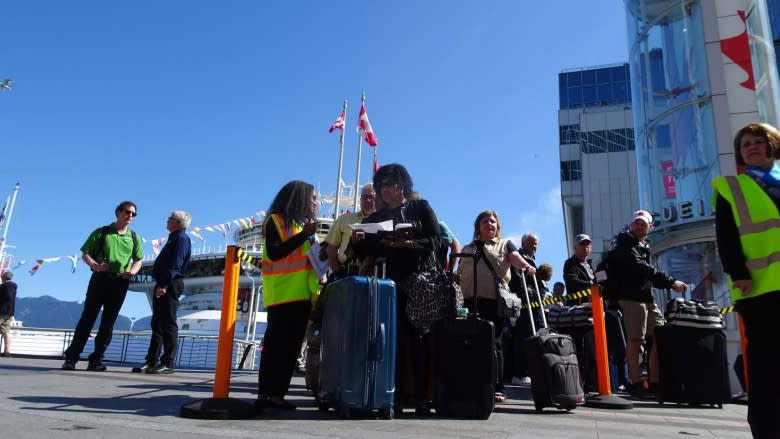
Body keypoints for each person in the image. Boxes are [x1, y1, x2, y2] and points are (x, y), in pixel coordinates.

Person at [351, 163, 440, 415]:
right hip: (389, 284)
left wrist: (409, 243)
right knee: (394, 340)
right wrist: (358, 242)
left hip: (421, 282)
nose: (385, 189)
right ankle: (396, 394)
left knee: (421, 340)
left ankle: (423, 397)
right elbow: (364, 251)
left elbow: (437, 240)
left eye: (390, 184)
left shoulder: (420, 207)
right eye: (381, 185)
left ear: (402, 185)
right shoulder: (375, 218)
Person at [713, 122, 780, 438]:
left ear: (772, 146)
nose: (752, 147)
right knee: (767, 365)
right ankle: (766, 428)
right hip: (759, 289)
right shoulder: (731, 188)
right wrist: (738, 273)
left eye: (758, 141)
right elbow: (726, 237)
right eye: (745, 144)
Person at [255, 181, 320, 413]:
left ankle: (277, 394)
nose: (316, 202)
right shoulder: (275, 220)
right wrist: (304, 235)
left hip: (302, 296)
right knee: (275, 347)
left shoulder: (297, 225)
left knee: (291, 349)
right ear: (299, 198)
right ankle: (265, 393)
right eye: (313, 198)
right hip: (282, 296)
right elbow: (275, 253)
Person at [459, 210, 536, 402]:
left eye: (493, 221)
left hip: (493, 302)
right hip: (468, 302)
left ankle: (497, 387)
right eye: (485, 221)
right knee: (470, 343)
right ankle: (472, 384)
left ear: (497, 227)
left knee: (495, 345)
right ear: (478, 227)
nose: (489, 224)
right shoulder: (468, 247)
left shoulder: (504, 244)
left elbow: (516, 258)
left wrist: (526, 266)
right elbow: (459, 271)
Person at [611, 210, 686, 399]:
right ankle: (635, 383)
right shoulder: (624, 243)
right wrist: (670, 281)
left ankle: (654, 382)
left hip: (647, 297)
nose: (639, 226)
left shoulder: (644, 245)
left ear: (650, 227)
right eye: (637, 223)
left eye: (643, 224)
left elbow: (649, 275)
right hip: (631, 297)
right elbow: (640, 268)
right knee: (635, 340)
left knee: (658, 337)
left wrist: (669, 282)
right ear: (631, 224)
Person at [62, 201, 144, 371]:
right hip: (100, 278)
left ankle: (96, 360)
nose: (130, 216)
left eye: (133, 214)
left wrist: (133, 272)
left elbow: (139, 260)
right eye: (127, 212)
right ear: (118, 212)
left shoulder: (134, 237)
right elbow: (85, 254)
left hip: (120, 282)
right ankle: (71, 358)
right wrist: (96, 266)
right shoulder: (102, 232)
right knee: (87, 318)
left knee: (108, 323)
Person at [132, 211, 192, 375]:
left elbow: (176, 263)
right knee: (157, 323)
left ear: (178, 223)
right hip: (163, 282)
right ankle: (151, 361)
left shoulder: (181, 239)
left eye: (170, 219)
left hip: (170, 283)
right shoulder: (174, 238)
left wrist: (164, 284)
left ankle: (167, 363)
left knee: (168, 323)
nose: (167, 221)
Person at [509, 232, 541, 386]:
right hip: (524, 304)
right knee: (523, 338)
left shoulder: (532, 260)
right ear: (523, 243)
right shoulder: (520, 259)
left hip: (533, 304)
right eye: (530, 243)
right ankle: (519, 373)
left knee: (534, 336)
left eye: (535, 244)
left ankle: (530, 371)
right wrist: (534, 293)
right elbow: (518, 282)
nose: (534, 246)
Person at [324, 183, 376, 276]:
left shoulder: (383, 221)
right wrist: (337, 273)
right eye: (364, 197)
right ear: (360, 200)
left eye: (371, 197)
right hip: (347, 272)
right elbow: (331, 248)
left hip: (375, 274)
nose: (367, 200)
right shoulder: (344, 219)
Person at [562, 233, 596, 306]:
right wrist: (593, 286)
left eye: (588, 244)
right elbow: (572, 281)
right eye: (582, 244)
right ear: (575, 247)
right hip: (579, 309)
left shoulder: (590, 265)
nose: (585, 246)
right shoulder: (570, 263)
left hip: (595, 306)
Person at [0, 271, 17, 357]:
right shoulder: (13, 287)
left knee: (5, 332)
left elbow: (7, 297)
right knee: (6, 331)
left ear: (3, 277)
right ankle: (7, 351)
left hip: (2, 311)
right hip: (10, 312)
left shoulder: (4, 287)